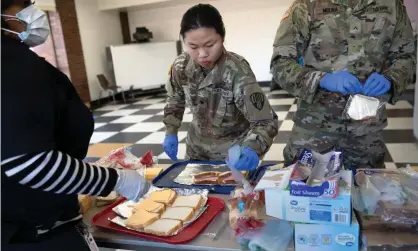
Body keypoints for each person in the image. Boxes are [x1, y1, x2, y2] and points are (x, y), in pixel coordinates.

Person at [1, 1, 149, 250]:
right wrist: (117, 180)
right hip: (32, 234)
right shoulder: (11, 64)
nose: (32, 12)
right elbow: (28, 162)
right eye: (24, 5)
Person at [270, 0, 416, 169]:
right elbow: (280, 63)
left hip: (366, 131)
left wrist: (392, 78)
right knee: (305, 190)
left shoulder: (391, 5)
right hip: (314, 131)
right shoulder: (307, 5)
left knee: (365, 190)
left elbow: (406, 57)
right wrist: (321, 79)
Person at [163, 4, 278, 171]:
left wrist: (252, 148)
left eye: (210, 45)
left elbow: (265, 121)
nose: (202, 54)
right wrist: (171, 131)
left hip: (232, 156)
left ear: (222, 37)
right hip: (196, 150)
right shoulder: (180, 66)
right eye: (193, 47)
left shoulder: (237, 72)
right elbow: (175, 99)